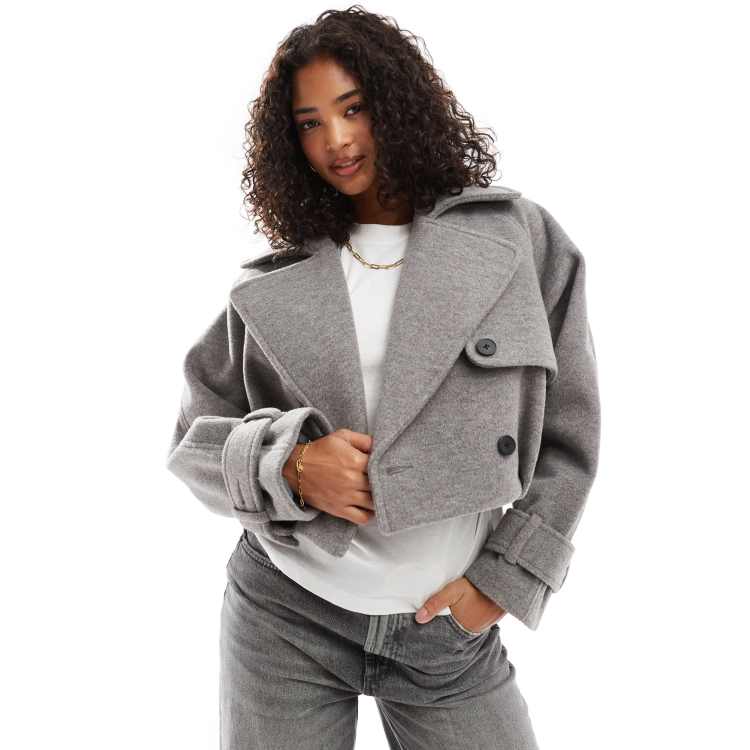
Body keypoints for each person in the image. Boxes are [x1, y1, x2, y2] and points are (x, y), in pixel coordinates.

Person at [166, 6, 601, 749]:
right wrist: (294, 465)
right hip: (285, 615)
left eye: (353, 108)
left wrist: (505, 581)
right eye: (309, 123)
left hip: (446, 633)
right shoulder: (274, 282)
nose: (336, 140)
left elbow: (571, 432)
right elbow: (193, 441)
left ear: (398, 103)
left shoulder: (515, 239)